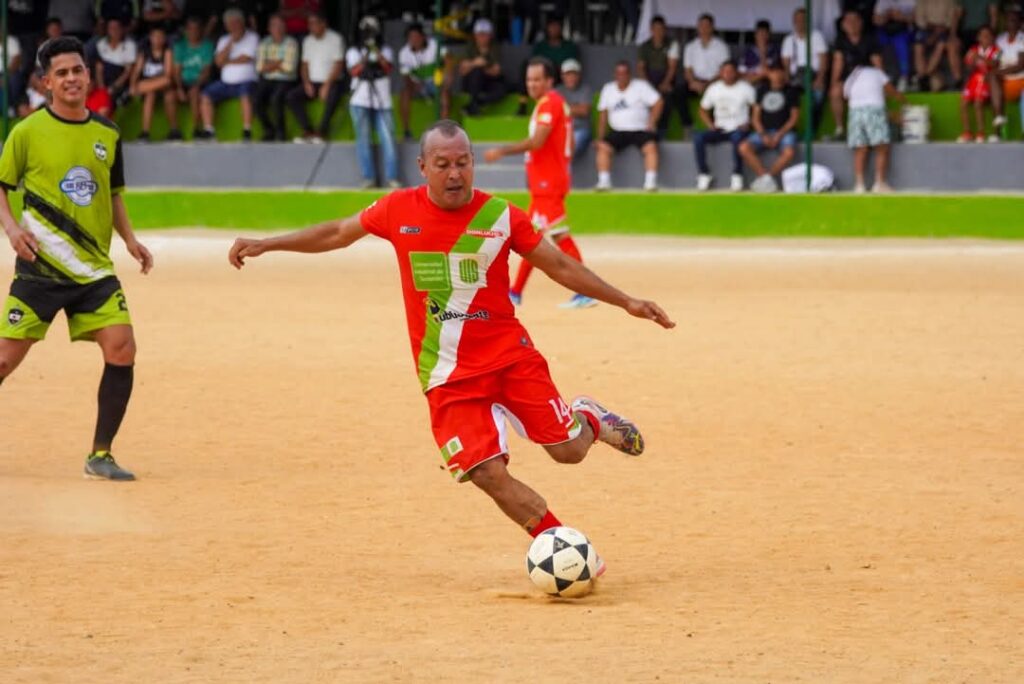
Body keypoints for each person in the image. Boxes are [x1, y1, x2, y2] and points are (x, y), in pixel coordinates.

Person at [227, 119, 674, 573]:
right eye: (442, 164)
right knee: (484, 471)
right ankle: (565, 551)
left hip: (510, 359)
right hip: (446, 375)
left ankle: (590, 420)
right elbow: (337, 233)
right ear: (422, 167)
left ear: (474, 163)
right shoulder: (397, 210)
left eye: (463, 162)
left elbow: (558, 264)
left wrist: (626, 301)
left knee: (568, 451)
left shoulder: (499, 216)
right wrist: (269, 244)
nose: (455, 173)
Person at [0, 36, 153, 480]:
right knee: (5, 360)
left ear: (89, 75)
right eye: (61, 73)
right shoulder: (25, 131)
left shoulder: (107, 133)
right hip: (40, 268)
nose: (71, 78)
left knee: (122, 348)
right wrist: (11, 230)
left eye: (77, 70)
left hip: (94, 270)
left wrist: (129, 239)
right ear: (46, 82)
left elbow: (115, 193)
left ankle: (100, 455)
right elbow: (2, 186)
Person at [484, 57, 593, 310]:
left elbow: (537, 141)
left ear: (549, 81)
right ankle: (515, 292)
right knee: (533, 238)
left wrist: (502, 151)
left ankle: (585, 289)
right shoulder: (553, 104)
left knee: (555, 235)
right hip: (547, 179)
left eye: (536, 79)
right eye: (529, 79)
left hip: (547, 181)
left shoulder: (549, 104)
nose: (531, 84)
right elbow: (569, 143)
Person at [346, 16, 399, 188]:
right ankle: (369, 178)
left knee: (388, 139)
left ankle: (392, 178)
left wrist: (375, 50)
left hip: (382, 100)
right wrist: (367, 55)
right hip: (360, 99)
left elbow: (388, 68)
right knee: (363, 139)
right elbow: (354, 71)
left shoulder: (385, 50)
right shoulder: (353, 51)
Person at [595, 61, 663, 192]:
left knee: (651, 147)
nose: (621, 76)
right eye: (619, 73)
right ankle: (604, 182)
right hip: (617, 131)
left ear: (629, 74)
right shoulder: (608, 89)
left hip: (640, 129)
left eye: (624, 73)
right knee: (603, 147)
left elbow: (658, 102)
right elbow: (603, 114)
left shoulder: (641, 86)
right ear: (615, 75)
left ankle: (650, 182)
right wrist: (600, 137)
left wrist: (652, 121)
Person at [693, 60, 756, 192]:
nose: (727, 74)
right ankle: (704, 174)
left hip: (739, 128)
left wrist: (749, 123)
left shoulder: (746, 88)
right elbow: (702, 109)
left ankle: (737, 175)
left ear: (736, 73)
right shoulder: (713, 88)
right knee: (698, 137)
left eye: (730, 71)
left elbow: (756, 108)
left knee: (737, 138)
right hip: (719, 128)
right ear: (720, 73)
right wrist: (710, 125)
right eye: (724, 71)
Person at [197, 8, 259, 141]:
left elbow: (246, 58)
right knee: (206, 94)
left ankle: (247, 130)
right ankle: (209, 130)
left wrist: (228, 61)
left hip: (247, 81)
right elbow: (218, 62)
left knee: (245, 94)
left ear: (242, 22)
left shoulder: (252, 37)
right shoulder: (224, 40)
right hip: (226, 83)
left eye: (235, 23)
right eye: (229, 24)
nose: (232, 26)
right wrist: (231, 43)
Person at [844, 64, 906, 192]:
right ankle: (879, 183)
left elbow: (846, 94)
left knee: (860, 149)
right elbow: (890, 90)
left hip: (854, 112)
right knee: (881, 147)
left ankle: (859, 185)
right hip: (874, 110)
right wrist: (903, 100)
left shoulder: (853, 75)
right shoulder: (877, 72)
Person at [739, 64, 801, 192]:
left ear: (784, 74)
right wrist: (763, 134)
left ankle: (768, 178)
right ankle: (765, 177)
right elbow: (755, 118)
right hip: (764, 131)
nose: (776, 75)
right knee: (743, 147)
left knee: (789, 152)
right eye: (773, 72)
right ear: (768, 74)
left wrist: (780, 134)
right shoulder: (762, 90)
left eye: (780, 72)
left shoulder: (791, 91)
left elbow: (794, 118)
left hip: (784, 131)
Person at [287, 12, 344, 143]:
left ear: (323, 24)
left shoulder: (335, 38)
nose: (310, 27)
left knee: (334, 93)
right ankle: (308, 130)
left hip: (332, 81)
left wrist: (327, 85)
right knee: (291, 96)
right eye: (309, 24)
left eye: (313, 23)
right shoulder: (308, 40)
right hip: (313, 82)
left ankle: (321, 132)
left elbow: (339, 64)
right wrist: (306, 83)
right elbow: (304, 65)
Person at [831, 11, 885, 140]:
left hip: (866, 81)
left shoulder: (870, 40)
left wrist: (881, 83)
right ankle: (840, 129)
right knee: (835, 91)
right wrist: (834, 82)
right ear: (843, 25)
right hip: (848, 80)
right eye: (848, 21)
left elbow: (878, 64)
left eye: (855, 21)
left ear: (861, 23)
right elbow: (838, 63)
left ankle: (868, 129)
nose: (852, 24)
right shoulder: (840, 41)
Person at [399, 22, 449, 141]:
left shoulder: (434, 45)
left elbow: (449, 59)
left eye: (417, 36)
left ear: (423, 36)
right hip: (416, 86)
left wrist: (447, 77)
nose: (414, 40)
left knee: (445, 94)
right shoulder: (404, 53)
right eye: (411, 37)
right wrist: (414, 85)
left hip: (435, 83)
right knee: (404, 93)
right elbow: (405, 76)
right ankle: (406, 132)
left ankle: (442, 132)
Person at [781, 7, 829, 131]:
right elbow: (786, 62)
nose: (800, 22)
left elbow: (824, 59)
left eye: (803, 20)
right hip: (796, 76)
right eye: (797, 20)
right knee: (786, 95)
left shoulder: (816, 36)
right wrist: (786, 77)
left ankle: (812, 129)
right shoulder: (789, 39)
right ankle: (790, 128)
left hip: (813, 74)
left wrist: (820, 79)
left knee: (818, 96)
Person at [638, 14, 685, 139]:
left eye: (661, 29)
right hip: (649, 80)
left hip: (666, 79)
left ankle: (661, 133)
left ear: (665, 29)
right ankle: (644, 131)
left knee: (667, 99)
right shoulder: (645, 46)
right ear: (651, 30)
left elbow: (672, 67)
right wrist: (647, 86)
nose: (658, 32)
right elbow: (641, 68)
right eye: (655, 29)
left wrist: (665, 83)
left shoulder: (672, 44)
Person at [129, 25, 180, 141]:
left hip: (162, 86)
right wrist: (132, 85)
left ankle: (174, 130)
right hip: (149, 86)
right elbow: (136, 71)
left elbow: (168, 75)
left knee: (169, 94)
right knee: (150, 94)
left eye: (160, 37)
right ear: (150, 38)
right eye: (155, 37)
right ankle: (145, 132)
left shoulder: (167, 51)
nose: (157, 39)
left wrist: (145, 85)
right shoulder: (144, 52)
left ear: (164, 39)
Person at [254, 13, 298, 142]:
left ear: (285, 28)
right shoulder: (264, 43)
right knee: (256, 100)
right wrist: (278, 62)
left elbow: (289, 69)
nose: (277, 29)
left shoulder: (291, 43)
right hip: (267, 79)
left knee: (276, 99)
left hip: (286, 79)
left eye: (280, 25)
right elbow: (259, 68)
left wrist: (269, 64)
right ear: (269, 28)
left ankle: (281, 132)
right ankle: (268, 129)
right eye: (274, 26)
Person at [682, 13, 730, 124]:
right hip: (695, 82)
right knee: (678, 93)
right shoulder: (690, 46)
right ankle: (687, 124)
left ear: (712, 27)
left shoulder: (721, 46)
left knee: (719, 93)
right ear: (698, 27)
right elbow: (687, 69)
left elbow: (725, 70)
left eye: (707, 26)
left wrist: (708, 84)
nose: (704, 29)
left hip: (714, 81)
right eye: (701, 25)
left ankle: (715, 126)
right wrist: (693, 82)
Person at [959, 25, 1003, 141]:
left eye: (988, 36)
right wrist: (972, 64)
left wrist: (979, 57)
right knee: (963, 103)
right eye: (983, 36)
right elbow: (967, 65)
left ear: (993, 38)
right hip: (973, 79)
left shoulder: (997, 50)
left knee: (978, 103)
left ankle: (981, 133)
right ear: (978, 37)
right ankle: (967, 132)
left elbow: (994, 64)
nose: (985, 38)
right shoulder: (973, 49)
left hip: (987, 80)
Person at [173, 16, 215, 136]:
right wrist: (179, 88)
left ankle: (196, 128)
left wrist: (196, 85)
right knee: (170, 96)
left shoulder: (207, 45)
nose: (193, 31)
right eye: (190, 29)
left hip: (200, 81)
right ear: (186, 30)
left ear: (201, 30)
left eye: (196, 29)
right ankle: (174, 130)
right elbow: (177, 71)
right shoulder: (180, 46)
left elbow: (206, 71)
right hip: (183, 82)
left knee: (194, 93)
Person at [459, 19, 506, 116]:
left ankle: (475, 103)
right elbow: (462, 71)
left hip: (488, 82)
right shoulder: (470, 47)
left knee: (502, 88)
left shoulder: (494, 47)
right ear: (475, 35)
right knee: (476, 73)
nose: (482, 38)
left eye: (485, 34)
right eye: (479, 34)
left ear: (490, 36)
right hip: (471, 84)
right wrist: (475, 64)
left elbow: (496, 71)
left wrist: (481, 68)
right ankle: (473, 104)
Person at [914, 0, 962, 91]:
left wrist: (937, 33)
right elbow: (920, 19)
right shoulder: (922, 1)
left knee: (941, 43)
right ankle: (922, 76)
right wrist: (932, 31)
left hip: (944, 30)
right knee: (918, 45)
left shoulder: (950, 1)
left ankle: (925, 76)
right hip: (926, 29)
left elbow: (951, 19)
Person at [874, 0, 917, 92]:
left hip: (905, 30)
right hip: (887, 30)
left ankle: (904, 77)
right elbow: (875, 20)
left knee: (900, 43)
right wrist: (887, 16)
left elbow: (917, 19)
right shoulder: (882, 1)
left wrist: (902, 17)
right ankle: (882, 77)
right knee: (875, 41)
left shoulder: (911, 1)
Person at [95, 17, 137, 108]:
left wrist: (114, 87)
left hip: (120, 79)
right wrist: (102, 88)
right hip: (103, 79)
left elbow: (128, 71)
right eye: (111, 28)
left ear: (122, 29)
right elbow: (99, 67)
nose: (114, 31)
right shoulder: (101, 44)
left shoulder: (129, 45)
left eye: (117, 28)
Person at [555, 58, 593, 159]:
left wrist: (563, 108)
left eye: (574, 74)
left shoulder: (586, 89)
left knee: (568, 149)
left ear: (579, 75)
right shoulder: (557, 91)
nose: (571, 77)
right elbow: (553, 112)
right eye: (567, 74)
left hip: (580, 129)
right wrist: (575, 108)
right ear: (562, 76)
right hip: (561, 130)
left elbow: (584, 111)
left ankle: (563, 173)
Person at [996, 4, 1024, 135]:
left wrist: (1000, 72)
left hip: (1020, 81)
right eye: (1008, 20)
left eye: (1014, 20)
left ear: (1020, 23)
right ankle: (999, 120)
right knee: (991, 78)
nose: (1010, 23)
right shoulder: (1000, 40)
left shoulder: (1022, 39)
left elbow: (1020, 65)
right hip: (1004, 83)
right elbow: (996, 59)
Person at [741, 19, 781, 87]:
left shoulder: (775, 50)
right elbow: (741, 72)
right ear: (755, 35)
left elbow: (768, 72)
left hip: (767, 82)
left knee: (775, 76)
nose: (762, 36)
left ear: (769, 35)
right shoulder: (748, 51)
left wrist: (763, 53)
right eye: (759, 33)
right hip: (750, 79)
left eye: (764, 33)